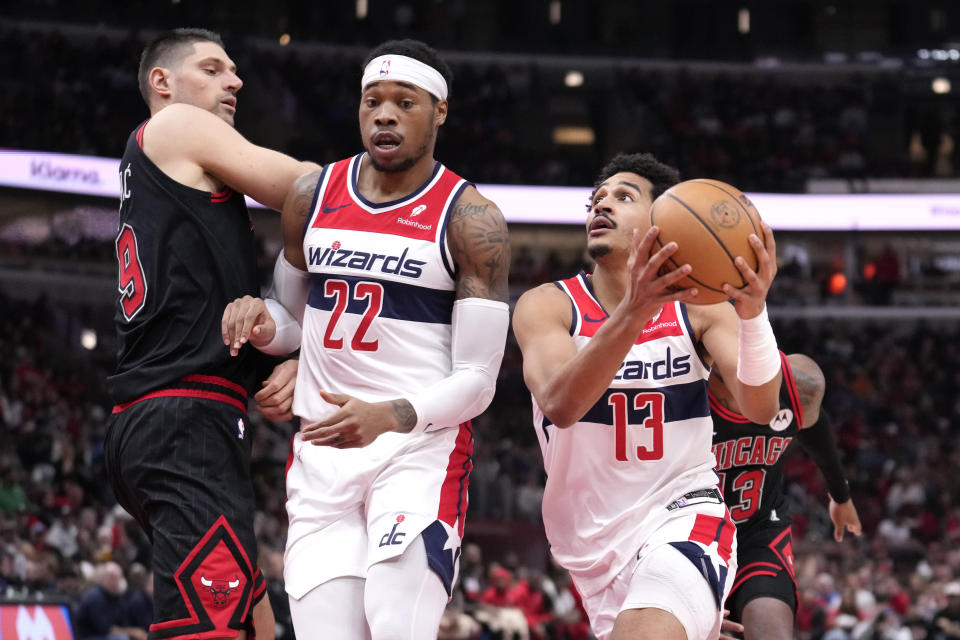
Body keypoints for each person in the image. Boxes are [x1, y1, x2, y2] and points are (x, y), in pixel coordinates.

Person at [223, 39, 511, 638]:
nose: (384, 114)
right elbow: (293, 320)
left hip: (417, 452)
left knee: (395, 624)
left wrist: (390, 415)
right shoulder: (313, 196)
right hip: (323, 454)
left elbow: (480, 381)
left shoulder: (470, 219)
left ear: (440, 111)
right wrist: (260, 319)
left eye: (404, 102)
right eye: (372, 101)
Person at [511, 152, 781, 640]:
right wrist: (635, 310)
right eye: (597, 198)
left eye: (623, 196)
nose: (602, 205)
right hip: (590, 545)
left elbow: (760, 408)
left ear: (663, 220)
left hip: (685, 511)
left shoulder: (699, 309)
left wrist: (754, 314)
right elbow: (559, 404)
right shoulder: (547, 305)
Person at [102, 28, 315, 639]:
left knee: (257, 626)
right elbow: (308, 189)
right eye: (214, 68)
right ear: (162, 84)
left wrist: (296, 348)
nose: (236, 81)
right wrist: (404, 193)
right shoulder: (174, 126)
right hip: (184, 419)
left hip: (171, 415)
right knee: (209, 629)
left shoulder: (162, 170)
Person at [710, 352, 863, 640]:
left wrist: (841, 496)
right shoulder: (681, 388)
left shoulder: (798, 384)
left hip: (758, 532)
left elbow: (815, 428)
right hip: (686, 534)